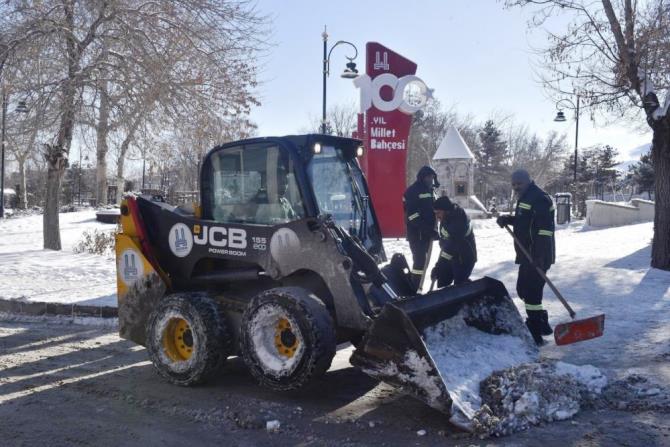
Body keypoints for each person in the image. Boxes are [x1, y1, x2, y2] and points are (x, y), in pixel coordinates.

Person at [496, 169, 555, 345]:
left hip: (538, 255)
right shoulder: (525, 197)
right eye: (513, 184)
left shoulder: (540, 199)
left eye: (519, 183)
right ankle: (542, 321)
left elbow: (545, 230)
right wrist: (508, 219)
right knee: (522, 289)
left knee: (532, 293)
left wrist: (539, 255)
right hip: (526, 254)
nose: (516, 187)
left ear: (528, 181)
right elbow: (524, 220)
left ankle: (535, 329)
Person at [403, 166, 439, 292]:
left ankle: (418, 287)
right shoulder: (412, 191)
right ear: (422, 177)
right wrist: (428, 230)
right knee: (419, 262)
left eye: (432, 177)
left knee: (424, 262)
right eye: (429, 177)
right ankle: (414, 290)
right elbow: (412, 216)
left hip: (428, 234)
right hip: (417, 234)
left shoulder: (430, 191)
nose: (431, 180)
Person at [431, 196, 477, 287]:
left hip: (464, 259)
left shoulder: (459, 219)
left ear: (446, 210)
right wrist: (438, 267)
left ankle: (468, 289)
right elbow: (445, 245)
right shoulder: (445, 218)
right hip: (451, 257)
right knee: (442, 282)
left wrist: (438, 266)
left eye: (438, 213)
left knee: (459, 287)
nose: (437, 216)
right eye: (435, 213)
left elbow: (450, 246)